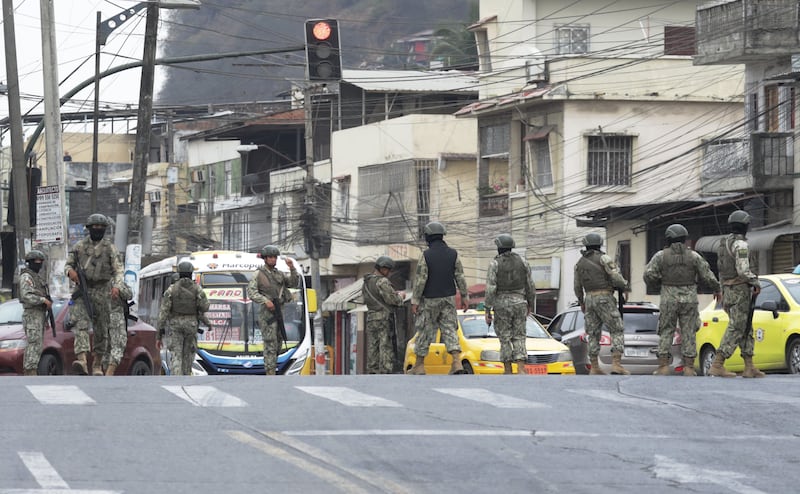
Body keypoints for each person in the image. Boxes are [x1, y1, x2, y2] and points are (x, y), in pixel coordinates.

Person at [644, 224, 720, 376]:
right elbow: (707, 274)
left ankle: (663, 366)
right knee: (689, 332)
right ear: (685, 238)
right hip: (689, 298)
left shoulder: (661, 256)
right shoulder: (694, 256)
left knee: (666, 330)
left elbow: (648, 275)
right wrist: (717, 288)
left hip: (668, 297)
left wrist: (659, 283)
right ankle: (689, 367)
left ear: (669, 238)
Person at [407, 221, 469, 375]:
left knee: (426, 330)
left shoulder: (426, 255)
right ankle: (456, 363)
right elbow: (460, 276)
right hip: (448, 298)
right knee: (449, 330)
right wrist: (465, 296)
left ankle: (419, 365)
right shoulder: (453, 254)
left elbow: (421, 280)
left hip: (430, 299)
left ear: (428, 237)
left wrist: (415, 300)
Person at [65, 214, 123, 376]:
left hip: (103, 291)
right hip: (82, 291)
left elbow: (118, 270)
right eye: (94, 227)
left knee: (101, 329)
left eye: (101, 227)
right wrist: (71, 272)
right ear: (89, 229)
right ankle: (82, 360)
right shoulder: (79, 247)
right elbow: (68, 264)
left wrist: (117, 286)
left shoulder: (110, 248)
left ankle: (97, 365)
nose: (97, 230)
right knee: (81, 324)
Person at [711, 210, 764, 378]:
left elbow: (721, 271)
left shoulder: (723, 244)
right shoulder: (740, 245)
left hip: (729, 289)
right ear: (745, 226)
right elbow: (743, 270)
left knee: (746, 327)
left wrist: (722, 291)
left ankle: (749, 366)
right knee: (737, 327)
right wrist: (755, 282)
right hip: (740, 290)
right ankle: (718, 363)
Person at [574, 232, 630, 375]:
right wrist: (624, 286)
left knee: (592, 333)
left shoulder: (579, 263)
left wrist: (581, 301)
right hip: (604, 297)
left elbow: (577, 286)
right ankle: (616, 364)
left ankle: (594, 366)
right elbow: (616, 277)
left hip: (589, 298)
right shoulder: (604, 258)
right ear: (599, 244)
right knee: (616, 329)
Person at [484, 234, 536, 375]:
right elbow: (530, 285)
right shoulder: (523, 262)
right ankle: (520, 367)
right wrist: (530, 303)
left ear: (499, 247)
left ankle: (507, 369)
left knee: (505, 337)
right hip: (520, 302)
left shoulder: (494, 264)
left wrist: (487, 308)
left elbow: (490, 288)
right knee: (519, 335)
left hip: (501, 303)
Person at [247, 245, 299, 376]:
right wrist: (265, 301)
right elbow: (251, 292)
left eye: (275, 257)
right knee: (270, 342)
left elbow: (293, 283)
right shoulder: (258, 274)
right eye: (270, 257)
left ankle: (272, 366)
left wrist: (292, 267)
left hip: (279, 310)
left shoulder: (279, 274)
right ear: (265, 258)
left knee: (279, 342)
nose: (273, 259)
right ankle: (270, 372)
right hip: (267, 312)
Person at [157, 261, 209, 376]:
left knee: (176, 354)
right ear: (191, 273)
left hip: (175, 325)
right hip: (191, 325)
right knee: (188, 355)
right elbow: (205, 307)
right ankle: (186, 376)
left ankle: (176, 377)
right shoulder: (197, 289)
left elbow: (163, 313)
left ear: (179, 273)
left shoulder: (171, 290)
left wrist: (159, 334)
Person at [362, 256, 406, 374]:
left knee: (373, 345)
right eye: (389, 270)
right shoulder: (382, 281)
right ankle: (385, 370)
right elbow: (393, 300)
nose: (389, 273)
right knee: (385, 344)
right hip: (383, 318)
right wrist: (400, 296)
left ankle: (372, 369)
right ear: (383, 268)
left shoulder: (367, 281)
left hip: (371, 317)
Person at [19, 250, 52, 376]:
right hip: (32, 314)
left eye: (40, 262)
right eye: (36, 262)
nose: (38, 264)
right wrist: (42, 300)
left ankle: (32, 370)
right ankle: (30, 371)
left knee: (37, 344)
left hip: (39, 315)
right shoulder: (26, 277)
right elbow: (26, 295)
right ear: (30, 262)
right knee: (34, 343)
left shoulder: (36, 277)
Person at [104, 275, 133, 376]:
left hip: (101, 317)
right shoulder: (116, 282)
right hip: (115, 317)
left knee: (106, 348)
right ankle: (109, 373)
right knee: (118, 345)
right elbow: (129, 295)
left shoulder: (98, 281)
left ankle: (103, 373)